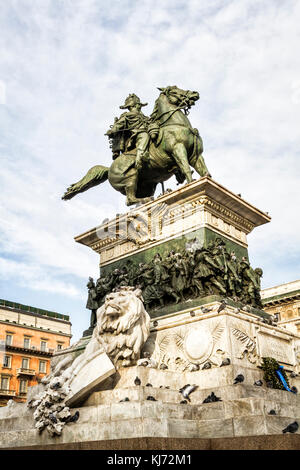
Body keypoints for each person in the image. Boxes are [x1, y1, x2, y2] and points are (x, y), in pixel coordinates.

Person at [105, 93, 150, 171]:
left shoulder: (145, 117)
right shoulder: (127, 115)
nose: (139, 106)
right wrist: (112, 130)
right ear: (133, 106)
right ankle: (140, 157)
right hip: (136, 134)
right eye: (138, 105)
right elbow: (118, 124)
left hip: (147, 132)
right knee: (144, 136)